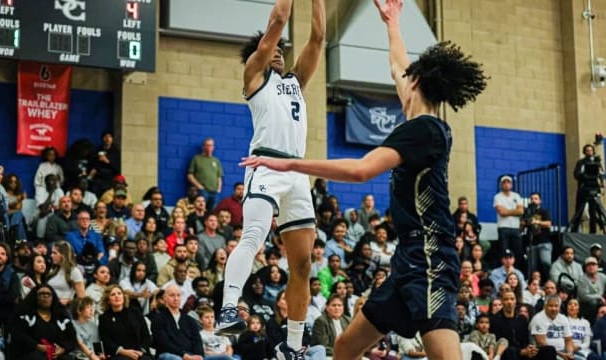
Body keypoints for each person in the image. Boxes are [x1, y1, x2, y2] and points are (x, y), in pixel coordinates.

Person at [238, 0, 488, 358]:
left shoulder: (424, 131)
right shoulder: (420, 117)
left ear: (415, 83)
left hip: (431, 258)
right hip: (407, 259)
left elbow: (361, 170)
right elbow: (397, 64)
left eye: (407, 78)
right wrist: (392, 22)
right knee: (344, 347)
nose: (400, 79)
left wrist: (292, 165)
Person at [217, 2, 326, 359]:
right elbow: (279, 19)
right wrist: (275, 30)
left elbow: (318, 37)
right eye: (273, 47)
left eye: (282, 48)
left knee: (303, 264)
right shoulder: (254, 76)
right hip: (264, 165)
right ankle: (229, 307)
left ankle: (292, 346)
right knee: (253, 237)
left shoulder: (295, 81)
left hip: (296, 175)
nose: (279, 51)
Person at [7, 284, 78, 360]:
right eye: (42, 294)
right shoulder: (24, 315)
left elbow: (72, 339)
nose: (46, 296)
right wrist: (36, 345)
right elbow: (17, 334)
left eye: (48, 294)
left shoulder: (62, 317)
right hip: (30, 353)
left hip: (57, 354)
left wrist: (63, 349)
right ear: (35, 297)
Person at [98, 285, 153, 360]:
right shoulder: (104, 318)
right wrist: (124, 352)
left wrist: (141, 350)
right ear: (108, 300)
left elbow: (146, 336)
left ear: (123, 297)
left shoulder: (135, 312)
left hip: (139, 352)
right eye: (113, 294)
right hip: (119, 355)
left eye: (119, 293)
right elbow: (107, 342)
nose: (117, 296)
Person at [150, 284, 204, 360]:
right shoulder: (158, 319)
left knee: (224, 357)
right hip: (168, 355)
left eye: (178, 295)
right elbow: (164, 344)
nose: (176, 298)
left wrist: (199, 355)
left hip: (190, 355)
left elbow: (197, 341)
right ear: (165, 297)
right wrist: (184, 355)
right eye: (172, 295)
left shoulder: (190, 320)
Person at [571, 144, 605, 234]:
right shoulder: (581, 162)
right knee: (579, 210)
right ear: (584, 152)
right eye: (587, 150)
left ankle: (593, 232)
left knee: (593, 212)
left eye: (591, 150)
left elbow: (601, 174)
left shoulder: (597, 163)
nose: (589, 152)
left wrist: (601, 183)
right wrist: (583, 176)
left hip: (594, 188)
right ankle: (574, 230)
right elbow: (576, 174)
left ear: (593, 151)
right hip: (583, 188)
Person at [493, 176, 525, 271]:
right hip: (503, 227)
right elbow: (501, 212)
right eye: (504, 182)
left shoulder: (516, 196)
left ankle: (517, 272)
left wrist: (507, 211)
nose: (506, 184)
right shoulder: (497, 197)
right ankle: (504, 271)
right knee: (504, 251)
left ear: (511, 184)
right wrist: (514, 211)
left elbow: (521, 211)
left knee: (518, 252)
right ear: (501, 184)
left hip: (515, 228)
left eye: (508, 182)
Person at [529, 295, 575, 359]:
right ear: (545, 306)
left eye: (556, 306)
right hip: (545, 354)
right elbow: (542, 343)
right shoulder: (538, 318)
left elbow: (568, 340)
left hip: (563, 352)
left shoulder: (563, 318)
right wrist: (562, 355)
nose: (554, 308)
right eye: (551, 306)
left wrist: (569, 353)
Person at [187, 138, 224, 212]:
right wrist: (199, 187)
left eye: (211, 145)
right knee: (200, 210)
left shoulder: (216, 160)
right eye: (207, 145)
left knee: (213, 211)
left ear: (213, 147)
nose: (209, 147)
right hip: (202, 191)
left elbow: (219, 177)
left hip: (215, 192)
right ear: (203, 147)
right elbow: (190, 175)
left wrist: (219, 190)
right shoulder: (196, 158)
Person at [521, 192, 552, 276]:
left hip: (544, 242)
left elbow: (549, 224)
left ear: (540, 201)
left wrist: (537, 221)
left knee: (546, 262)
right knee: (532, 267)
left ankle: (550, 280)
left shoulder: (544, 211)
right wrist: (523, 224)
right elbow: (521, 229)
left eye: (535, 198)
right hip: (532, 243)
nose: (533, 200)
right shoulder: (527, 212)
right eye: (531, 199)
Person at [47, 241, 85, 305]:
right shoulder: (53, 270)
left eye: (54, 253)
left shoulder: (74, 271)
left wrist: (68, 301)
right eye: (52, 253)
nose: (51, 255)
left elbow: (82, 298)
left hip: (64, 309)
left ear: (63, 255)